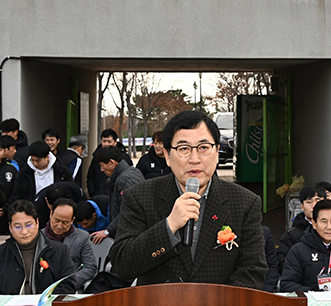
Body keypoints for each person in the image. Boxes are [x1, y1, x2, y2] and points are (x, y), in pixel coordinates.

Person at [109, 110, 267, 289]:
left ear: (217, 152)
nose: (194, 159)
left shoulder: (245, 202)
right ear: (167, 156)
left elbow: (253, 270)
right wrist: (169, 227)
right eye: (183, 148)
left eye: (204, 148)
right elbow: (122, 266)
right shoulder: (139, 196)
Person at [0, 200, 77, 295]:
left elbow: (68, 286)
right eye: (18, 226)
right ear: (10, 227)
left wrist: (43, 300)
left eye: (28, 225)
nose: (24, 231)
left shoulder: (60, 251)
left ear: (37, 223)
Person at [90, 146, 144, 243]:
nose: (102, 170)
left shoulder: (124, 179)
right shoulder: (130, 172)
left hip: (131, 235)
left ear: (112, 162)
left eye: (102, 166)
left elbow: (126, 211)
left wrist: (107, 231)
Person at [42, 198, 97, 289]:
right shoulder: (39, 237)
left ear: (72, 220)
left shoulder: (82, 237)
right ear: (51, 214)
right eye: (57, 220)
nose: (59, 226)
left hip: (71, 287)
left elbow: (90, 267)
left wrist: (69, 281)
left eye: (65, 222)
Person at [277, 185, 326, 272]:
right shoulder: (291, 235)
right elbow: (283, 262)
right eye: (309, 202)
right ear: (302, 206)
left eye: (318, 200)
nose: (314, 206)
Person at [86, 129, 133, 198]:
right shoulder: (96, 157)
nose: (106, 144)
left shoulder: (124, 158)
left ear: (115, 142)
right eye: (104, 141)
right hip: (98, 196)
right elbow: (91, 176)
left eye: (109, 141)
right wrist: (93, 193)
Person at [262, 225, 279, 292]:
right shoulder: (228, 231)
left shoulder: (264, 232)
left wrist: (267, 291)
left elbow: (272, 265)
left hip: (263, 289)